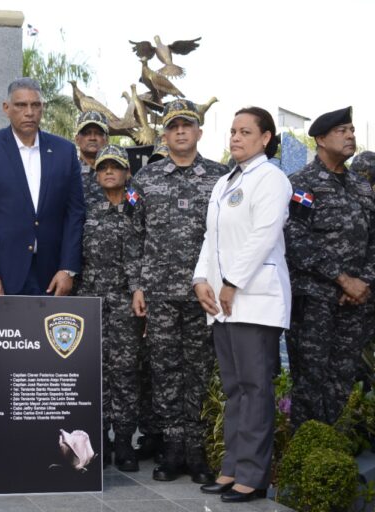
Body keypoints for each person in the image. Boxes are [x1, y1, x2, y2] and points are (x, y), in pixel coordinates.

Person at [126, 99, 227, 483]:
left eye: (188, 125)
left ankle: (196, 450)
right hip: (159, 291)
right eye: (173, 126)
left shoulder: (220, 178)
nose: (181, 131)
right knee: (165, 371)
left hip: (205, 294)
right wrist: (137, 285)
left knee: (199, 371)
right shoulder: (146, 179)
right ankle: (172, 448)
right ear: (164, 135)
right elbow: (134, 237)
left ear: (199, 131)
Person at [193, 107, 292, 502]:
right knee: (235, 389)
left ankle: (253, 475)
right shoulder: (224, 182)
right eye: (233, 131)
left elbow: (263, 236)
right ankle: (232, 468)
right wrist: (201, 279)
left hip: (254, 299)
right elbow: (210, 239)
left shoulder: (271, 178)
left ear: (265, 138)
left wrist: (232, 282)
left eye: (245, 131)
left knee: (254, 388)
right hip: (222, 302)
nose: (235, 138)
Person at [285, 107, 375, 430]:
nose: (351, 136)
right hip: (315, 303)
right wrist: (343, 280)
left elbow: (372, 240)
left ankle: (331, 455)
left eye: (352, 130)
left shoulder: (361, 187)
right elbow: (295, 239)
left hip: (355, 304)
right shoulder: (301, 185)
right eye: (342, 131)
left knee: (342, 381)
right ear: (321, 139)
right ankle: (304, 461)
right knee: (310, 382)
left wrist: (362, 281)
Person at [0, 77, 85, 296]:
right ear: (6, 108)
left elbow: (74, 213)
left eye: (36, 105)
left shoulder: (65, 151)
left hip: (52, 275)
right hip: (1, 273)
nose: (29, 112)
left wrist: (68, 268)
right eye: (21, 105)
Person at [74, 144, 143, 471]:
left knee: (126, 371)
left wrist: (140, 290)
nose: (109, 172)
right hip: (91, 301)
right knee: (94, 371)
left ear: (127, 172)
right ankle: (98, 437)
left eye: (115, 166)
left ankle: (126, 439)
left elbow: (148, 250)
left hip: (127, 301)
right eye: (103, 168)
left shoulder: (138, 206)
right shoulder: (86, 208)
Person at [75, 110, 110, 206]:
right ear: (77, 139)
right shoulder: (69, 172)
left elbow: (135, 204)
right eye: (87, 133)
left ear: (107, 140)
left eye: (98, 133)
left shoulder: (117, 171)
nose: (93, 138)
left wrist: (129, 182)